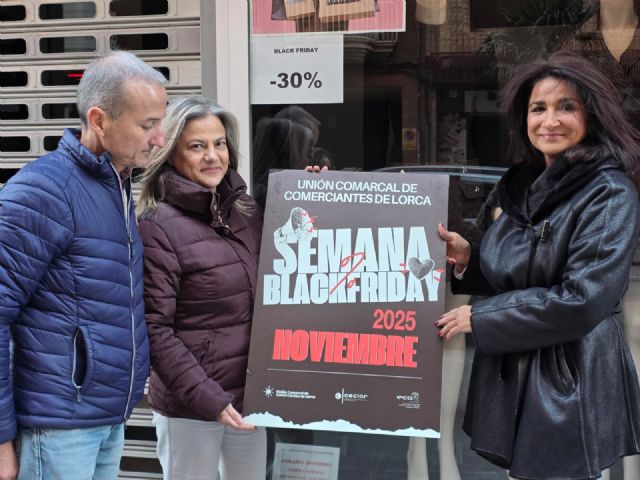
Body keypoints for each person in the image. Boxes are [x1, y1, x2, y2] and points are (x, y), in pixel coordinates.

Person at [437, 51, 640, 480]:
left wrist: (482, 316)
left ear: (592, 115)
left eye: (566, 106)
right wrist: (470, 258)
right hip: (518, 370)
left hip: (571, 376)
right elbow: (519, 269)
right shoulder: (521, 183)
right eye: (538, 108)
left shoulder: (608, 192)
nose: (550, 120)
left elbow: (583, 300)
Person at [0, 50, 167, 480]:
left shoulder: (117, 185)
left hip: (104, 417)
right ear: (99, 120)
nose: (159, 137)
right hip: (60, 425)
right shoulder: (44, 191)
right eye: (147, 125)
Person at [136, 96, 266, 480]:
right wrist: (209, 399)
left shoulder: (244, 210)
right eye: (197, 146)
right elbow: (154, 329)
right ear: (171, 153)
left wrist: (314, 193)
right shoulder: (156, 225)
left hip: (249, 398)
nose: (212, 156)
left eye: (219, 143)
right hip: (191, 408)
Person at [252, 115, 316, 209]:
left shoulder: (254, 192)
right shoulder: (270, 199)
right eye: (307, 153)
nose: (311, 159)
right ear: (286, 157)